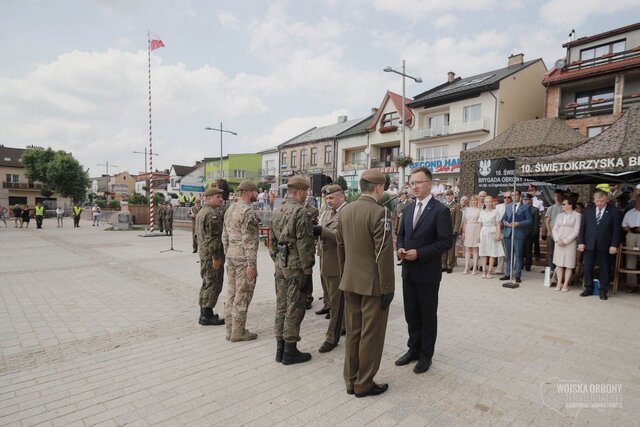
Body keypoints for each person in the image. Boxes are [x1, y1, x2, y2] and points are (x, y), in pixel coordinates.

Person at [337, 169, 395, 396]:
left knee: (353, 332)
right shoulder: (380, 212)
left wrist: (345, 275)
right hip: (373, 285)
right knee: (371, 334)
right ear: (379, 188)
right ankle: (364, 383)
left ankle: (350, 380)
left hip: (350, 280)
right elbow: (383, 253)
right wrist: (388, 287)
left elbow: (341, 248)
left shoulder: (346, 211)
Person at [396, 166, 453, 375]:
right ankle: (413, 349)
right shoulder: (409, 208)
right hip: (408, 271)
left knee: (427, 315)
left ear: (429, 184)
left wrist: (419, 253)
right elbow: (400, 234)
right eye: (412, 183)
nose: (414, 186)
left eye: (418, 182)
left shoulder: (440, 210)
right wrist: (400, 248)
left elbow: (445, 242)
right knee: (411, 314)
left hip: (427, 273)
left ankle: (426, 355)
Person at [269, 176, 316, 365]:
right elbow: (304, 244)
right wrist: (308, 271)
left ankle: (279, 349)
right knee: (294, 307)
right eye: (306, 192)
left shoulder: (278, 210)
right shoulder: (300, 212)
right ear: (300, 191)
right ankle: (290, 350)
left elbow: (271, 241)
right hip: (296, 266)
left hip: (281, 264)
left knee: (281, 305)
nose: (307, 196)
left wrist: (279, 259)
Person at [222, 180, 260, 341]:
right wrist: (251, 265)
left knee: (231, 293)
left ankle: (229, 330)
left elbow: (224, 236)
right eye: (256, 192)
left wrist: (228, 254)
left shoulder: (230, 209)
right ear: (249, 192)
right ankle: (238, 332)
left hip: (231, 255)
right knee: (243, 294)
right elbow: (249, 241)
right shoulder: (247, 211)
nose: (257, 194)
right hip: (243, 258)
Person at [315, 184, 347, 353]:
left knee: (337, 303)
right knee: (334, 300)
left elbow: (341, 237)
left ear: (341, 196)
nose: (328, 201)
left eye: (331, 198)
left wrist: (321, 231)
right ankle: (343, 326)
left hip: (338, 264)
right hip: (325, 260)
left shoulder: (346, 213)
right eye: (327, 198)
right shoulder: (327, 212)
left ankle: (332, 337)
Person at [578, 190, 621, 300]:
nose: (600, 203)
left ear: (607, 200)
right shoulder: (588, 211)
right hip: (589, 244)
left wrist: (614, 245)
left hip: (606, 246)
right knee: (587, 267)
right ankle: (588, 288)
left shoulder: (614, 211)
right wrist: (581, 242)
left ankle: (603, 291)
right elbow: (582, 228)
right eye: (598, 201)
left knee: (605, 268)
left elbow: (616, 230)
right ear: (594, 200)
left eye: (602, 201)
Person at [195, 186, 227, 325]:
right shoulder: (212, 215)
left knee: (207, 282)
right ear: (208, 199)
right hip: (211, 255)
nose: (221, 199)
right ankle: (207, 315)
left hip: (204, 253)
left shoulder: (202, 212)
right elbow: (213, 238)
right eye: (218, 197)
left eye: (221, 196)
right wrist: (216, 257)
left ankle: (204, 313)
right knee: (213, 284)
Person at [500, 190, 532, 286]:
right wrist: (506, 223)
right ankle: (508, 273)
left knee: (518, 255)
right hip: (508, 233)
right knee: (508, 256)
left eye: (516, 195)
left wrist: (518, 223)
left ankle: (517, 275)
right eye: (512, 195)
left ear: (520, 196)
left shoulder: (525, 207)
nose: (514, 196)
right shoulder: (508, 207)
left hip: (518, 233)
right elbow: (503, 218)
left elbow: (529, 221)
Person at [551, 199, 581, 292]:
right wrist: (557, 240)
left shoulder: (577, 215)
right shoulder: (560, 215)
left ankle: (565, 284)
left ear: (570, 205)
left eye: (564, 204)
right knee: (558, 263)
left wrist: (566, 241)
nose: (562, 206)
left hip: (570, 243)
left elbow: (576, 231)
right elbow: (554, 229)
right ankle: (559, 283)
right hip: (558, 242)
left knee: (569, 264)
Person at [479, 196, 504, 279]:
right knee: (483, 252)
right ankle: (484, 271)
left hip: (492, 231)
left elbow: (497, 224)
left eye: (490, 202)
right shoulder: (481, 212)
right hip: (484, 232)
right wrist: (478, 235)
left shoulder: (495, 212)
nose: (488, 203)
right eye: (487, 202)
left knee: (492, 253)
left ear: (492, 202)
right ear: (484, 203)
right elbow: (480, 224)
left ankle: (489, 271)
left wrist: (498, 234)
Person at [303, 196, 319, 310]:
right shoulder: (293, 208)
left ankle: (308, 298)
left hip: (308, 246)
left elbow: (314, 227)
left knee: (307, 273)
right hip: (296, 247)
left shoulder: (313, 210)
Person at [621, 193, 640, 292]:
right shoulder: (630, 212)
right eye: (637, 201)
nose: (638, 203)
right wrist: (630, 229)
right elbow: (624, 225)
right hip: (631, 235)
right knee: (630, 259)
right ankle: (631, 285)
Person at [544, 190, 565, 276]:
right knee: (550, 252)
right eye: (556, 196)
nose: (557, 197)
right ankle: (551, 269)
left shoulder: (564, 208)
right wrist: (549, 232)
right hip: (551, 234)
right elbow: (547, 221)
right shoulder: (550, 208)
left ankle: (559, 270)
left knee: (560, 253)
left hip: (562, 235)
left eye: (559, 196)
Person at [441, 189, 461, 274]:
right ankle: (443, 265)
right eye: (447, 195)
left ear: (453, 196)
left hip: (451, 230)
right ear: (445, 197)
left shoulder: (456, 206)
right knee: (443, 249)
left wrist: (455, 231)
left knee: (451, 249)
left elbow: (458, 220)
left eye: (450, 195)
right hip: (443, 230)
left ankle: (450, 266)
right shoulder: (442, 205)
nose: (449, 197)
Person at [460, 195, 481, 275]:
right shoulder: (467, 210)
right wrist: (464, 232)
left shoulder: (480, 210)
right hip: (468, 228)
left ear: (477, 201)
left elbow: (480, 223)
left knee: (475, 249)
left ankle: (475, 267)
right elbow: (464, 221)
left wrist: (479, 234)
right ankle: (466, 267)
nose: (473, 202)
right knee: (467, 249)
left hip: (476, 228)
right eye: (472, 200)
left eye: (475, 200)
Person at [522, 194, 540, 272]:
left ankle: (528, 265)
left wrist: (535, 232)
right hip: (521, 232)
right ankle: (520, 264)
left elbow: (536, 222)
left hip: (530, 232)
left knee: (529, 250)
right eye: (524, 199)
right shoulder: (520, 209)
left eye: (527, 199)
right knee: (521, 249)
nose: (526, 201)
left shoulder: (535, 210)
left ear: (531, 200)